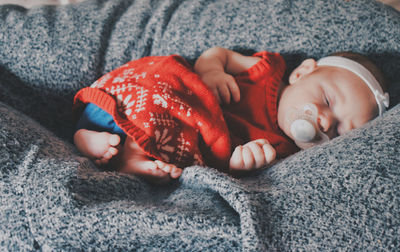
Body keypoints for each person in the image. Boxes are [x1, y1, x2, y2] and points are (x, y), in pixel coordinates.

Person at [73, 47, 389, 184]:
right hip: (171, 93)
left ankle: (113, 149)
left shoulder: (280, 151)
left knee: (184, 156)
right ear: (303, 73)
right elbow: (218, 53)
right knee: (165, 80)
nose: (324, 121)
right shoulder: (266, 71)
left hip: (183, 135)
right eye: (327, 99)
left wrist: (243, 162)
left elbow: (229, 167)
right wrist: (211, 70)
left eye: (337, 131)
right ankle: (99, 134)